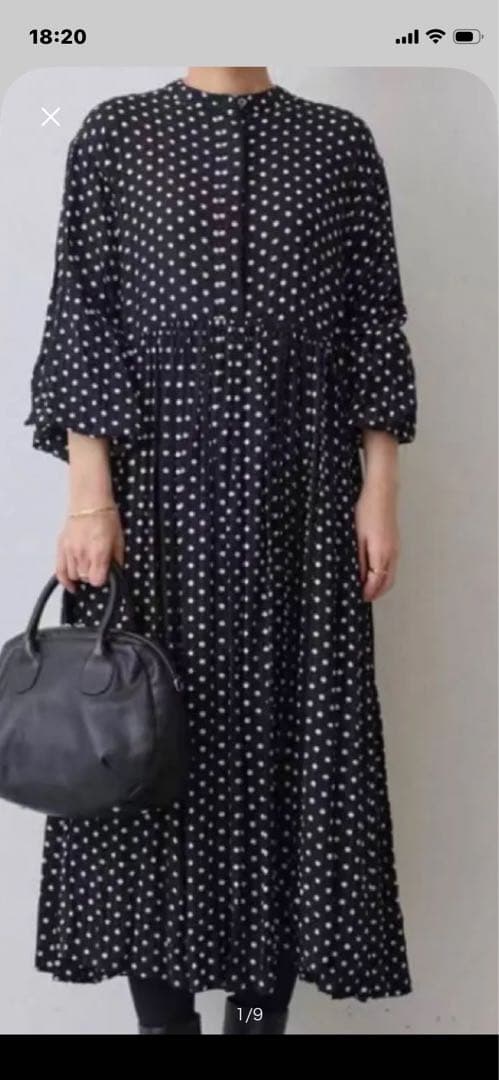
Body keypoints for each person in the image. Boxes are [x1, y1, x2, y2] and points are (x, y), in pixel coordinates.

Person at [24, 66, 417, 1035]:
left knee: (290, 749)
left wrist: (379, 490)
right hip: (153, 506)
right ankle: (165, 1029)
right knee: (143, 751)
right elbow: (83, 316)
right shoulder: (116, 135)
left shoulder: (339, 143)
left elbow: (373, 323)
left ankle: (257, 1023)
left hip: (300, 505)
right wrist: (88, 501)